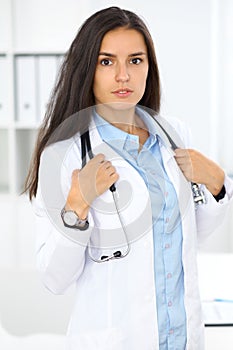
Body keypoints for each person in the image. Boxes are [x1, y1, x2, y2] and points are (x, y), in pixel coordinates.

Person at [25, 6, 233, 350]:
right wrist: (77, 205)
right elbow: (54, 278)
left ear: (149, 68)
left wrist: (218, 185)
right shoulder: (64, 154)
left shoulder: (174, 134)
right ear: (86, 69)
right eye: (107, 62)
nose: (123, 76)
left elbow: (187, 238)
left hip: (182, 337)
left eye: (135, 60)